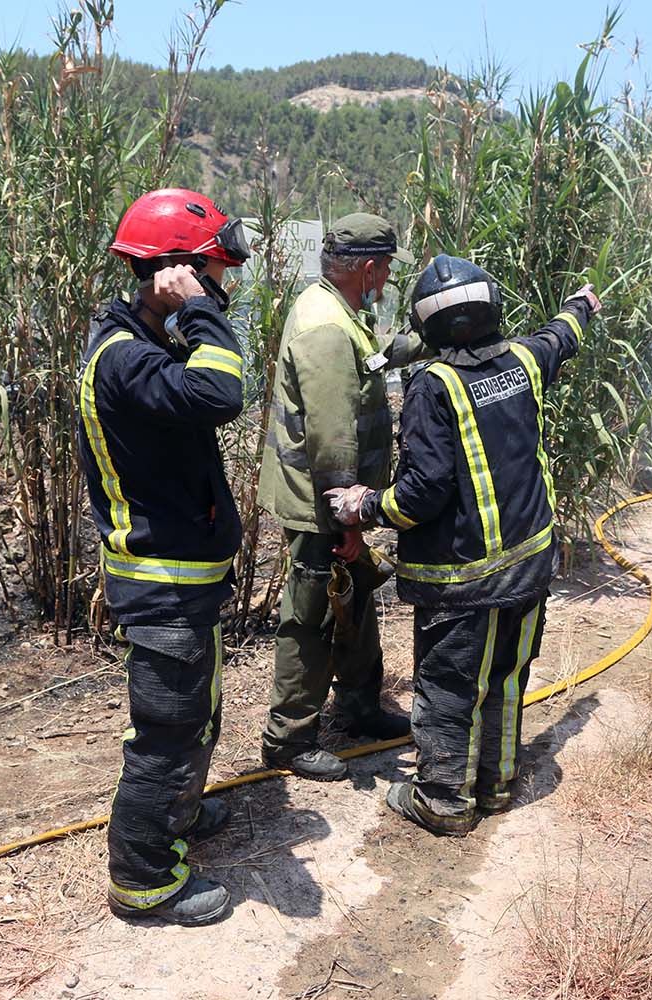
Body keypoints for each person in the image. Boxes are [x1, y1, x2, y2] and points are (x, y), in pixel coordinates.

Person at [325, 255, 600, 836]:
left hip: (462, 582)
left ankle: (445, 801)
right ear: (493, 309)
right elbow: (560, 336)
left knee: (449, 688)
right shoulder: (524, 361)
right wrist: (582, 304)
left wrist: (365, 505)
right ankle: (495, 785)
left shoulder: (434, 386)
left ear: (427, 327)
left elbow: (421, 493)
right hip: (529, 569)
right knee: (505, 676)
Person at [78, 187, 251, 926]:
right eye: (213, 273)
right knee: (168, 730)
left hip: (185, 577)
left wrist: (187, 312)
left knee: (196, 714)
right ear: (174, 273)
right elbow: (224, 389)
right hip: (161, 583)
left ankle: (177, 815)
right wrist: (196, 309)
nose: (224, 287)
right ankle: (144, 879)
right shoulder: (125, 359)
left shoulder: (143, 346)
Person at [256, 213, 422, 780]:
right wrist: (348, 519)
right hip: (320, 500)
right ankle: (288, 739)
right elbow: (332, 437)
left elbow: (369, 362)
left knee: (349, 599)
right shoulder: (326, 326)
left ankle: (357, 707)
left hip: (326, 497)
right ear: (369, 267)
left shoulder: (338, 310)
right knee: (311, 616)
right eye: (387, 269)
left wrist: (421, 341)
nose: (387, 279)